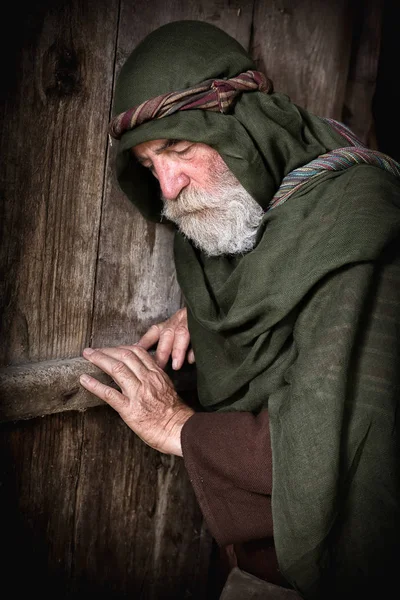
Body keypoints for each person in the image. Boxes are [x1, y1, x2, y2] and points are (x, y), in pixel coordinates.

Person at [80, 20, 400, 600]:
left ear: (244, 128)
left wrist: (176, 427)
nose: (169, 187)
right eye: (151, 165)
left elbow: (333, 448)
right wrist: (199, 311)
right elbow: (274, 271)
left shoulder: (357, 228)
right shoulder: (234, 224)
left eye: (179, 148)